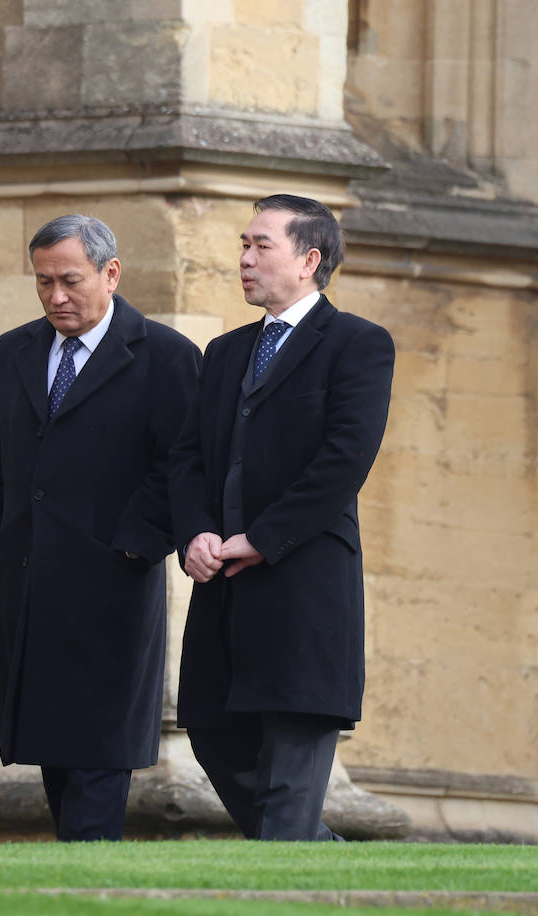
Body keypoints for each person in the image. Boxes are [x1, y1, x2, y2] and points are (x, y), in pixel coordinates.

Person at [0, 215, 201, 841]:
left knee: (98, 749)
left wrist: (128, 548)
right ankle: (74, 870)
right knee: (50, 747)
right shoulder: (14, 349)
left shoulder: (166, 355)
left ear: (110, 273)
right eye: (43, 283)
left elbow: (181, 467)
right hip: (24, 580)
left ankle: (88, 878)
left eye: (70, 281)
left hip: (111, 587)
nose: (55, 297)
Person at [170, 194, 395, 841]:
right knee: (212, 734)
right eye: (244, 244)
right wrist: (196, 534)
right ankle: (326, 860)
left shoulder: (358, 345)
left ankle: (294, 871)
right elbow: (187, 459)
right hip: (225, 594)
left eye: (260, 245)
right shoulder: (223, 353)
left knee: (292, 769)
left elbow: (343, 462)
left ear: (310, 260)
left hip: (304, 589)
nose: (244, 258)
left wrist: (262, 539)